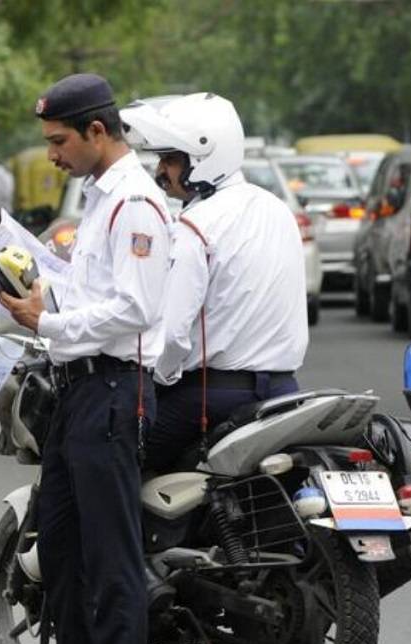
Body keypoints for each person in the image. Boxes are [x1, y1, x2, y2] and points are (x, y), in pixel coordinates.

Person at [0, 73, 171, 644]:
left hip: (112, 389)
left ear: (98, 131)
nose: (52, 155)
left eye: (59, 140)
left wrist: (49, 322)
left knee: (110, 554)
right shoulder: (99, 199)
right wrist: (43, 287)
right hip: (76, 390)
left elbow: (136, 310)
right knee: (61, 549)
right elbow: (92, 288)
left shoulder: (137, 204)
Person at [121, 93, 308, 473]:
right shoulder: (277, 209)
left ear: (204, 158)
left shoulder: (197, 225)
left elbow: (173, 335)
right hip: (285, 391)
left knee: (117, 464)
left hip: (209, 397)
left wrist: (158, 378)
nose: (161, 171)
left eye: (171, 159)